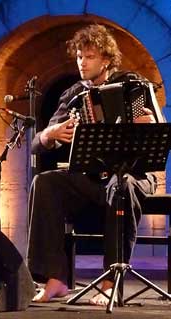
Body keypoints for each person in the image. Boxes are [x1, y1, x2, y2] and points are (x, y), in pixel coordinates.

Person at [26, 24, 159, 305]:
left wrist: (148, 124)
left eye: (89, 57)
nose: (81, 63)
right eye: (78, 57)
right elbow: (38, 142)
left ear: (107, 60)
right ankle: (55, 279)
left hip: (132, 175)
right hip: (91, 178)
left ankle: (111, 280)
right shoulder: (74, 94)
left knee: (122, 184)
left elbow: (158, 127)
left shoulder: (132, 85)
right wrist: (51, 134)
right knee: (45, 182)